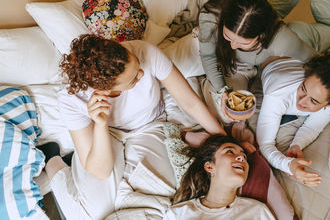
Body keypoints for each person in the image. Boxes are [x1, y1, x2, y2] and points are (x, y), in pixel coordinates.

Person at [41, 34, 226, 219]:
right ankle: (52, 159)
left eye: (137, 65)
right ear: (105, 89)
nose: (141, 74)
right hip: (106, 135)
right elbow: (101, 170)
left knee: (168, 192)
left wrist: (223, 139)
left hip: (150, 125)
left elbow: (189, 102)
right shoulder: (71, 98)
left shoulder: (146, 51)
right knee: (94, 213)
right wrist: (100, 123)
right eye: (133, 80)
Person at [199, 0, 330, 128]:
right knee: (267, 9)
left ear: (263, 36)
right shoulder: (210, 15)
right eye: (227, 37)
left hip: (292, 35)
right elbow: (207, 56)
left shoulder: (283, 39)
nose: (233, 46)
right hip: (262, 18)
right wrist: (223, 91)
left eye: (243, 43)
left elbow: (320, 67)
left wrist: (324, 99)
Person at [256, 50, 330, 186]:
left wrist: (296, 145)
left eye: (314, 101)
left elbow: (312, 127)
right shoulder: (276, 95)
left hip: (293, 61)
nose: (301, 101)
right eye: (303, 88)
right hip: (272, 60)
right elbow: (265, 144)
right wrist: (288, 165)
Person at [164, 135, 275, 220]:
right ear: (209, 166)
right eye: (230, 152)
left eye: (244, 156)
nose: (241, 157)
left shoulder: (257, 211)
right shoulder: (177, 214)